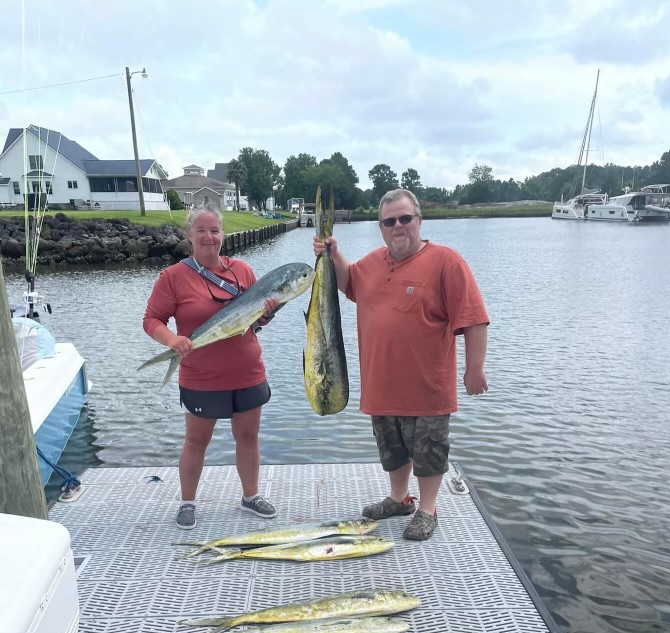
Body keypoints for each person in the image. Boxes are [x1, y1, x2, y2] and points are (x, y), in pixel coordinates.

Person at [312, 188, 489, 542]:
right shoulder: (372, 262)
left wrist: (475, 368)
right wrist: (333, 255)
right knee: (391, 448)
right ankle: (398, 499)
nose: (398, 226)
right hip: (381, 383)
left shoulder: (446, 262)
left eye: (405, 219)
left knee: (428, 451)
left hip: (428, 388)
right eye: (389, 221)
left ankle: (428, 508)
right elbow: (347, 283)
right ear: (381, 227)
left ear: (419, 221)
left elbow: (474, 319)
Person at [143, 202, 279, 529]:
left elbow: (253, 321)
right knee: (196, 441)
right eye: (201, 230)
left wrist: (267, 314)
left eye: (214, 230)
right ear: (189, 235)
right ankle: (188, 501)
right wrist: (172, 340)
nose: (208, 236)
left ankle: (250, 496)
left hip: (248, 371)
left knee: (248, 437)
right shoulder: (173, 277)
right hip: (201, 376)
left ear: (223, 235)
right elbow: (152, 320)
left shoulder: (242, 271)